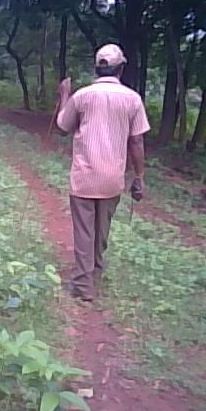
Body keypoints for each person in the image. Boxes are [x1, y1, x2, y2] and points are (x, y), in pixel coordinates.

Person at [55, 43, 149, 302]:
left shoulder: (82, 96)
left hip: (84, 176)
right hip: (112, 177)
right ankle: (95, 269)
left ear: (97, 68)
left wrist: (64, 95)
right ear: (121, 69)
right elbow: (137, 141)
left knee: (84, 231)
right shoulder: (133, 99)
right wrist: (139, 177)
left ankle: (83, 285)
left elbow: (63, 126)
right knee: (102, 228)